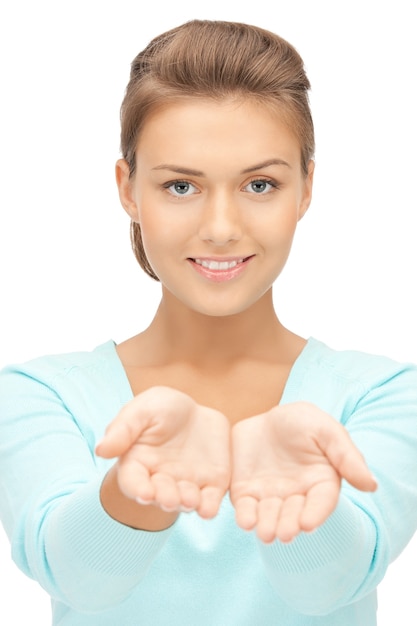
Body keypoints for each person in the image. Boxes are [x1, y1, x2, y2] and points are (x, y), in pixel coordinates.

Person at [0, 18, 417, 626]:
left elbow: (337, 584)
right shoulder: (40, 394)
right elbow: (71, 575)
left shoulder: (386, 394)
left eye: (259, 183)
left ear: (305, 190)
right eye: (179, 186)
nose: (221, 227)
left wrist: (306, 513)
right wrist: (132, 491)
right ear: (128, 190)